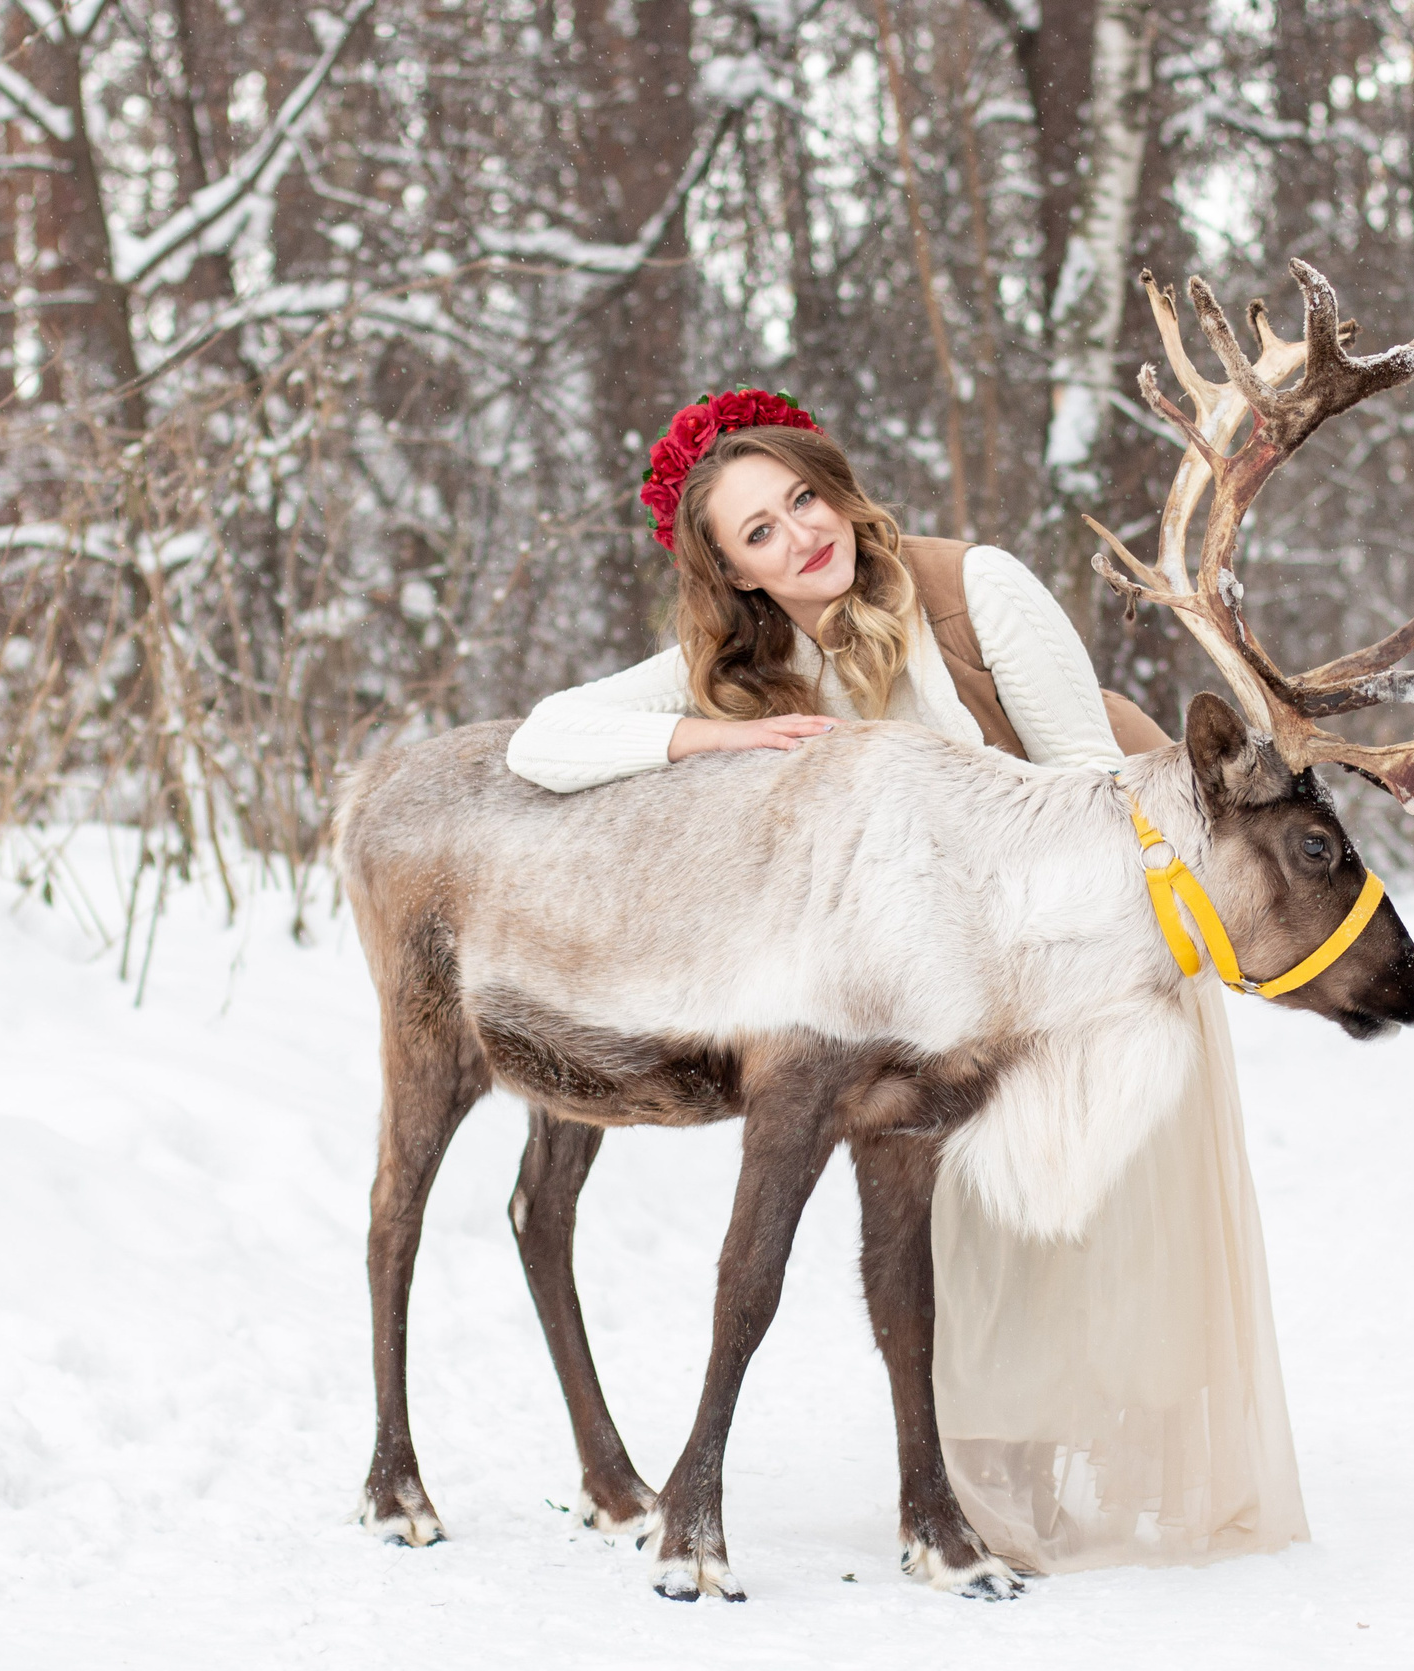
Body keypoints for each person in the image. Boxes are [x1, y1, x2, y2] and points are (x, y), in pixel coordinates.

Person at [504, 388, 1306, 1572]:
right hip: (932, 991)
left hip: (1086, 931)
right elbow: (541, 741)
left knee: (1087, 1216)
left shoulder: (973, 587)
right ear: (731, 571)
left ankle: (1090, 1456)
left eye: (802, 500)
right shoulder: (745, 662)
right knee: (958, 1223)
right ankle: (991, 1464)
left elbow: (1095, 789)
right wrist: (716, 735)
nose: (799, 538)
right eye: (758, 534)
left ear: (835, 487)